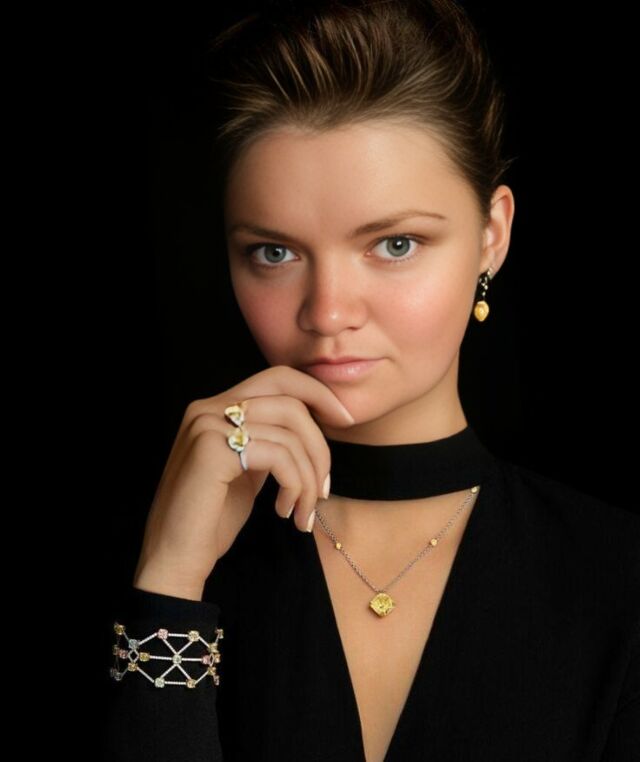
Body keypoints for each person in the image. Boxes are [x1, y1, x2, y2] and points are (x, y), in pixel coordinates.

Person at [101, 1, 639, 760]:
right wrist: (169, 583)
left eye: (394, 244)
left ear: (492, 236)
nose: (327, 312)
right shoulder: (162, 560)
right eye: (274, 253)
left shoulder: (618, 576)